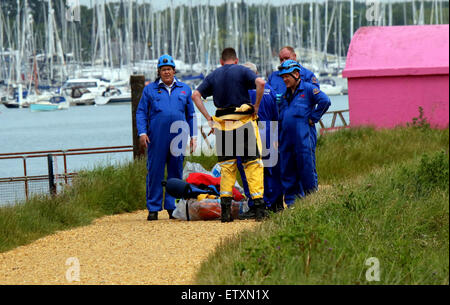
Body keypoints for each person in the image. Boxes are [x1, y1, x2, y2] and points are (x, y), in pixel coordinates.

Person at [192, 48, 267, 222]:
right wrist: (256, 106)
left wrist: (209, 119)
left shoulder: (213, 75)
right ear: (236, 60)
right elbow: (261, 83)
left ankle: (225, 211)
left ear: (221, 61)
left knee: (227, 167)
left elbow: (195, 95)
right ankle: (259, 209)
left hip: (223, 126)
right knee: (252, 165)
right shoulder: (242, 70)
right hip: (243, 123)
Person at [136, 54, 196, 221]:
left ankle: (172, 207)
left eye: (169, 69)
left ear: (174, 70)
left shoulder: (185, 89)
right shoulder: (150, 89)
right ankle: (153, 208)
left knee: (175, 172)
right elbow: (141, 112)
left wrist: (193, 136)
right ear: (159, 72)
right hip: (157, 137)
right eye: (163, 70)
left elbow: (191, 114)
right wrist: (142, 133)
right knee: (155, 171)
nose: (166, 72)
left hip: (178, 136)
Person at [277, 60, 331, 207]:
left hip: (304, 139)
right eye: (282, 77)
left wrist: (313, 118)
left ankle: (312, 203)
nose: (284, 79)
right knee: (287, 172)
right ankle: (292, 204)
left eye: (287, 76)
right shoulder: (283, 97)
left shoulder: (308, 89)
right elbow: (280, 118)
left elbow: (325, 101)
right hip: (286, 141)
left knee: (307, 170)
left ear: (296, 74)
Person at [236, 62, 284, 220]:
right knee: (270, 170)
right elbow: (275, 114)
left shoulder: (243, 92)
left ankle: (256, 205)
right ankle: (273, 204)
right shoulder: (270, 90)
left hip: (250, 131)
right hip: (269, 130)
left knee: (249, 170)